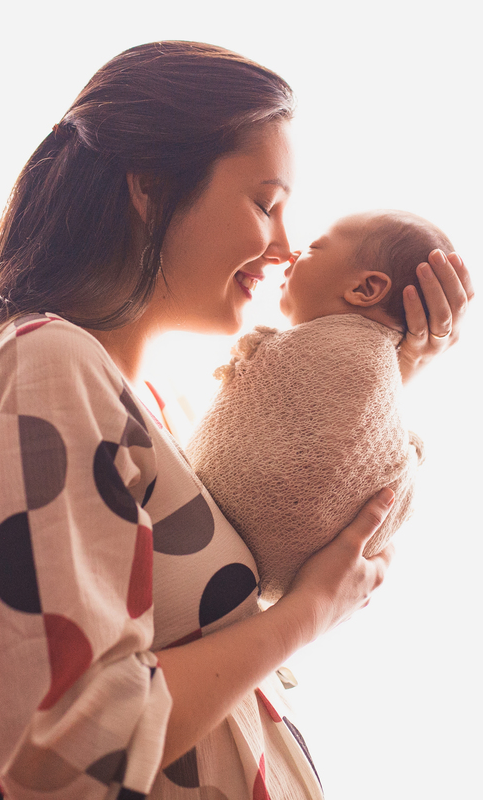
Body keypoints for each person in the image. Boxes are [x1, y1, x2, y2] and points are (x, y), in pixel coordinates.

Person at [0, 42, 473, 800]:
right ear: (150, 190)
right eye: (265, 204)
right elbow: (67, 747)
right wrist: (308, 613)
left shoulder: (141, 403)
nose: (286, 247)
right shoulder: (44, 365)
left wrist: (384, 361)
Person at [187, 210, 455, 603]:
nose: (292, 253)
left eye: (314, 248)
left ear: (365, 289)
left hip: (222, 550)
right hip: (278, 580)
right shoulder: (366, 366)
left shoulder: (343, 358)